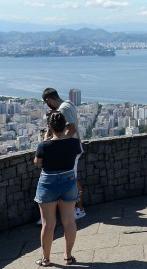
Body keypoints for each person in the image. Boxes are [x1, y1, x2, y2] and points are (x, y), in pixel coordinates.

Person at [33, 111, 82, 267]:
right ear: (64, 125)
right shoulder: (74, 143)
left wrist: (46, 139)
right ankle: (68, 257)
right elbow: (74, 154)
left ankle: (46, 259)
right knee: (69, 220)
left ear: (50, 126)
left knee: (48, 224)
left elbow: (37, 162)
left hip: (48, 182)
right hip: (68, 180)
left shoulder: (44, 145)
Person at [42, 87, 85, 220]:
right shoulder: (68, 104)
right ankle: (77, 208)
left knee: (72, 180)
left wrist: (59, 140)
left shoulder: (63, 109)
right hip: (73, 147)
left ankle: (79, 209)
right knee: (72, 178)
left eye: (47, 102)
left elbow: (71, 129)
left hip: (70, 150)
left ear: (49, 100)